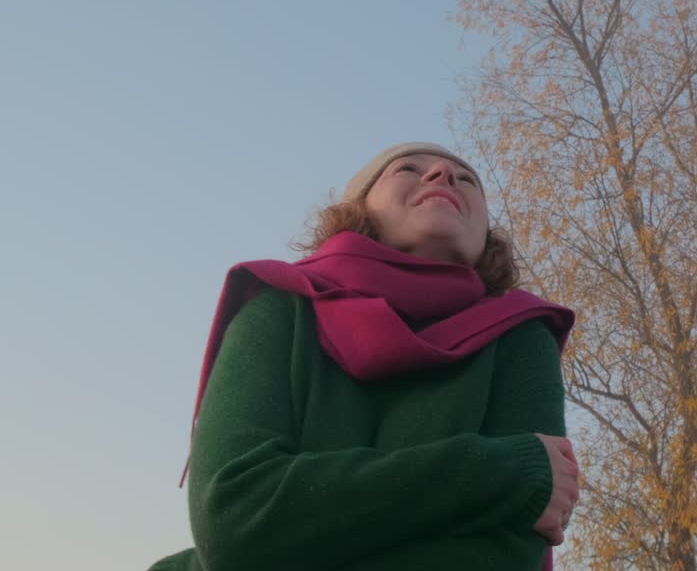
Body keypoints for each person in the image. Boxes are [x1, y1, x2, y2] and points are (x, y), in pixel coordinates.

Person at [149, 142, 579, 571]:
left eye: (466, 180)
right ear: (357, 210)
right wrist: (500, 473)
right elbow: (234, 518)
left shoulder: (521, 333)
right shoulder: (279, 306)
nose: (444, 174)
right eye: (408, 169)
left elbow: (506, 556)